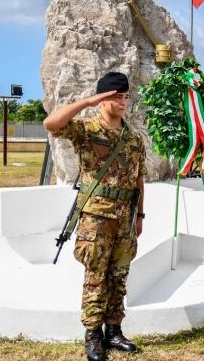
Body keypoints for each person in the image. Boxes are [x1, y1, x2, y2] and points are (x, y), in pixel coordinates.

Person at [43, 71, 145, 361]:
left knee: (119, 275)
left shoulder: (134, 138)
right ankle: (93, 335)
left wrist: (140, 216)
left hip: (125, 217)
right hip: (96, 217)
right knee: (96, 276)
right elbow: (51, 124)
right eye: (117, 97)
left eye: (126, 97)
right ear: (104, 99)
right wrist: (87, 101)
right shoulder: (86, 129)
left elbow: (139, 179)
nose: (124, 102)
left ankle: (114, 331)